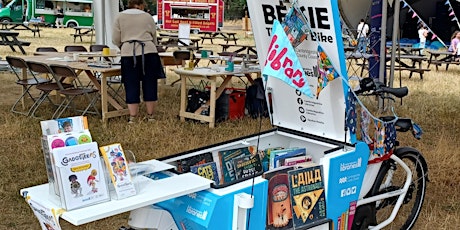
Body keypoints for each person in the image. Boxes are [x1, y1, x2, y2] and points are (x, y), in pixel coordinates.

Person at [112, 0, 165, 123]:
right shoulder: (147, 17)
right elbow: (153, 36)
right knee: (150, 83)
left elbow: (115, 38)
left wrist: (124, 45)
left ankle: (133, 117)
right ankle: (150, 115)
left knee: (131, 84)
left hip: (128, 52)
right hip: (148, 52)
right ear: (141, 5)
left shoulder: (120, 16)